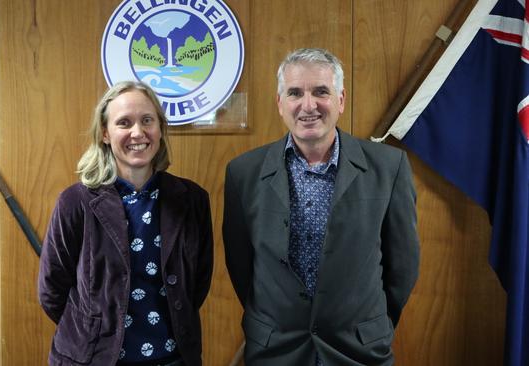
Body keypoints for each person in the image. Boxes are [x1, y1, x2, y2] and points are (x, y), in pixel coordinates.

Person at [222, 48, 420, 365]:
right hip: (275, 351)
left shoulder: (389, 167)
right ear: (280, 103)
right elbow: (241, 265)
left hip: (358, 351)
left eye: (321, 92)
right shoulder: (243, 173)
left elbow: (403, 267)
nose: (308, 105)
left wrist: (370, 325)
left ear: (340, 100)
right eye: (295, 93)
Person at [38, 81, 213, 366]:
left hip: (173, 358)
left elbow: (197, 284)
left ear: (160, 128)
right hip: (93, 359)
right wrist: (94, 332)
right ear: (105, 133)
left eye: (147, 120)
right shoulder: (75, 202)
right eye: (124, 123)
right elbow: (51, 289)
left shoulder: (192, 200)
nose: (138, 133)